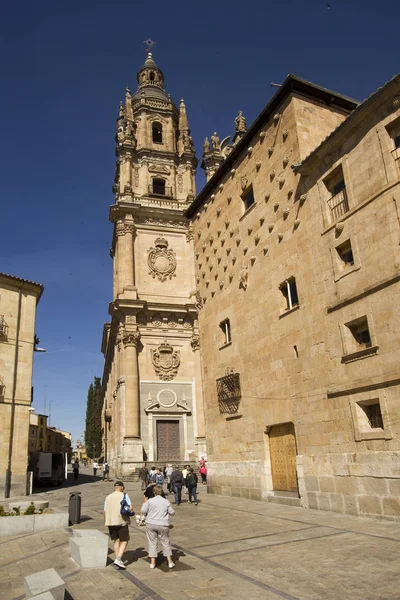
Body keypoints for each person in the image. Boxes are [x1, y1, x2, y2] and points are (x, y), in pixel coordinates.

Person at [141, 486, 175, 569]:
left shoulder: (150, 501)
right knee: (165, 542)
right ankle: (170, 562)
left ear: (154, 492)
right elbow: (172, 512)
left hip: (151, 523)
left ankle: (152, 563)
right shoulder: (166, 501)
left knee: (152, 542)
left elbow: (143, 511)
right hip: (163, 524)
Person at [104, 480, 134, 569]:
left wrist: (106, 521)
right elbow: (130, 507)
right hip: (121, 521)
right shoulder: (124, 495)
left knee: (116, 540)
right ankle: (118, 559)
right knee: (124, 540)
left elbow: (105, 511)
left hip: (110, 522)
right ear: (122, 488)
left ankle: (117, 560)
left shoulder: (108, 497)